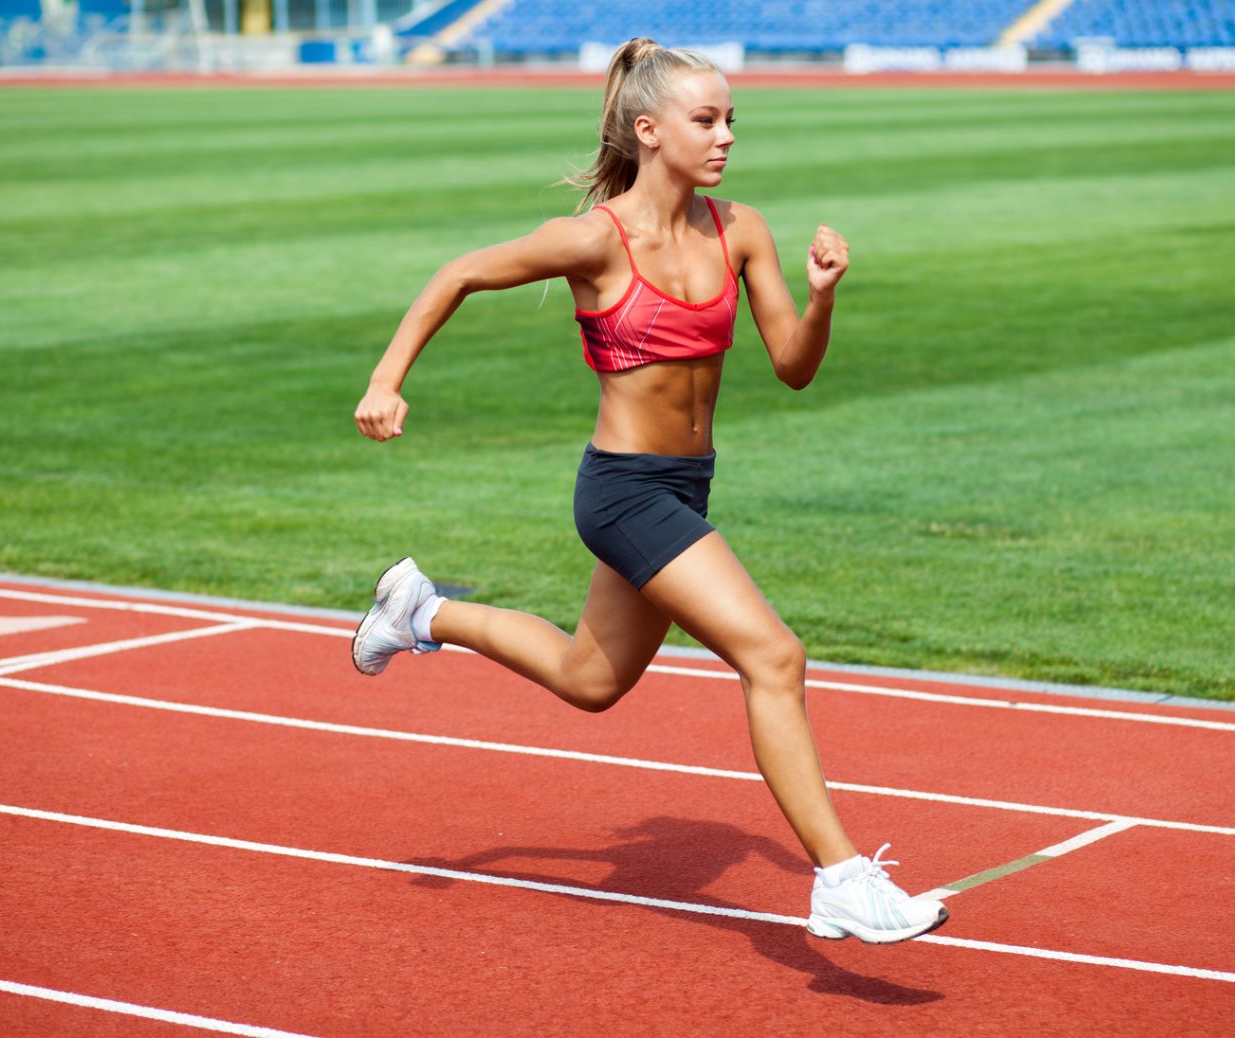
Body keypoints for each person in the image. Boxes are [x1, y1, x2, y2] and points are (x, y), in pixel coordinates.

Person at [351, 38, 947, 945]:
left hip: (686, 488)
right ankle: (840, 879)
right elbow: (459, 272)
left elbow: (792, 368)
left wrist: (822, 296)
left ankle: (421, 612)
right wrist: (386, 381)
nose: (726, 137)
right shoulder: (595, 238)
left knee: (588, 681)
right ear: (648, 130)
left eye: (731, 120)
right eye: (706, 120)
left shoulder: (740, 228)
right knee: (773, 657)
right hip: (624, 493)